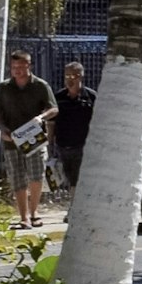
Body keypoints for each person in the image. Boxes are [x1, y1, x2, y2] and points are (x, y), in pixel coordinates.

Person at [0, 49, 55, 226]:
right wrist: (2, 129)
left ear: (29, 66)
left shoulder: (40, 85)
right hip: (12, 139)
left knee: (36, 175)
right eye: (14, 67)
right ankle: (23, 217)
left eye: (21, 66)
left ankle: (34, 213)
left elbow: (53, 109)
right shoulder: (4, 87)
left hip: (34, 138)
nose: (17, 70)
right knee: (17, 178)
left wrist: (41, 117)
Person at [49, 57, 97, 193]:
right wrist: (50, 144)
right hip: (62, 146)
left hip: (82, 146)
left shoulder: (91, 97)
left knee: (78, 180)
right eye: (67, 75)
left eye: (74, 76)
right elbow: (51, 123)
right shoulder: (58, 97)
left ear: (81, 76)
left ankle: (74, 210)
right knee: (67, 181)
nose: (70, 79)